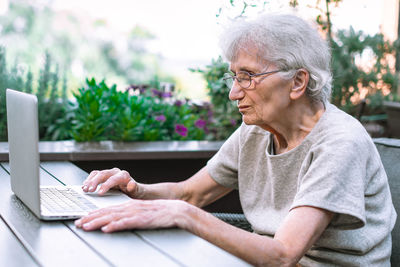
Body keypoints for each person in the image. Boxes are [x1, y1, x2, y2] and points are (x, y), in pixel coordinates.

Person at [75, 13, 397, 266]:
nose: (233, 92)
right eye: (234, 77)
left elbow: (283, 254)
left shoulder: (339, 142)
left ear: (298, 82)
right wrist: (135, 189)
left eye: (247, 77)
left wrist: (184, 217)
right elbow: (189, 195)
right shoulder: (256, 130)